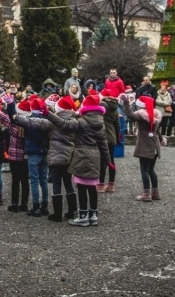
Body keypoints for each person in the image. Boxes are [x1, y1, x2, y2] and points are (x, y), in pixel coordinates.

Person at [40, 93, 110, 227]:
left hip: (81, 155)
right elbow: (104, 144)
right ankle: (93, 215)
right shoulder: (101, 123)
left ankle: (83, 216)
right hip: (95, 156)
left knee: (82, 187)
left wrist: (48, 114)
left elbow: (65, 124)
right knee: (92, 187)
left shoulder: (81, 122)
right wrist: (108, 161)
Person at [13, 95, 78, 222]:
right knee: (68, 184)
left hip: (55, 156)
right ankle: (72, 210)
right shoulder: (75, 122)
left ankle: (57, 214)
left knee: (56, 185)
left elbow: (36, 122)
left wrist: (18, 118)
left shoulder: (54, 123)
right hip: (69, 156)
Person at [120, 94, 163, 202]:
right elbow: (157, 130)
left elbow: (130, 116)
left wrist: (126, 102)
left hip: (145, 145)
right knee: (151, 170)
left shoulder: (141, 115)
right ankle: (155, 193)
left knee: (144, 170)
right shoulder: (155, 114)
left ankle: (146, 194)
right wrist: (161, 139)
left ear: (141, 105)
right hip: (155, 144)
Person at [97, 88, 120, 193]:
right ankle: (111, 184)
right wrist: (116, 138)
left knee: (102, 161)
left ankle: (100, 184)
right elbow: (117, 125)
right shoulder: (115, 109)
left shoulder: (102, 106)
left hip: (103, 136)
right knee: (111, 161)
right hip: (112, 137)